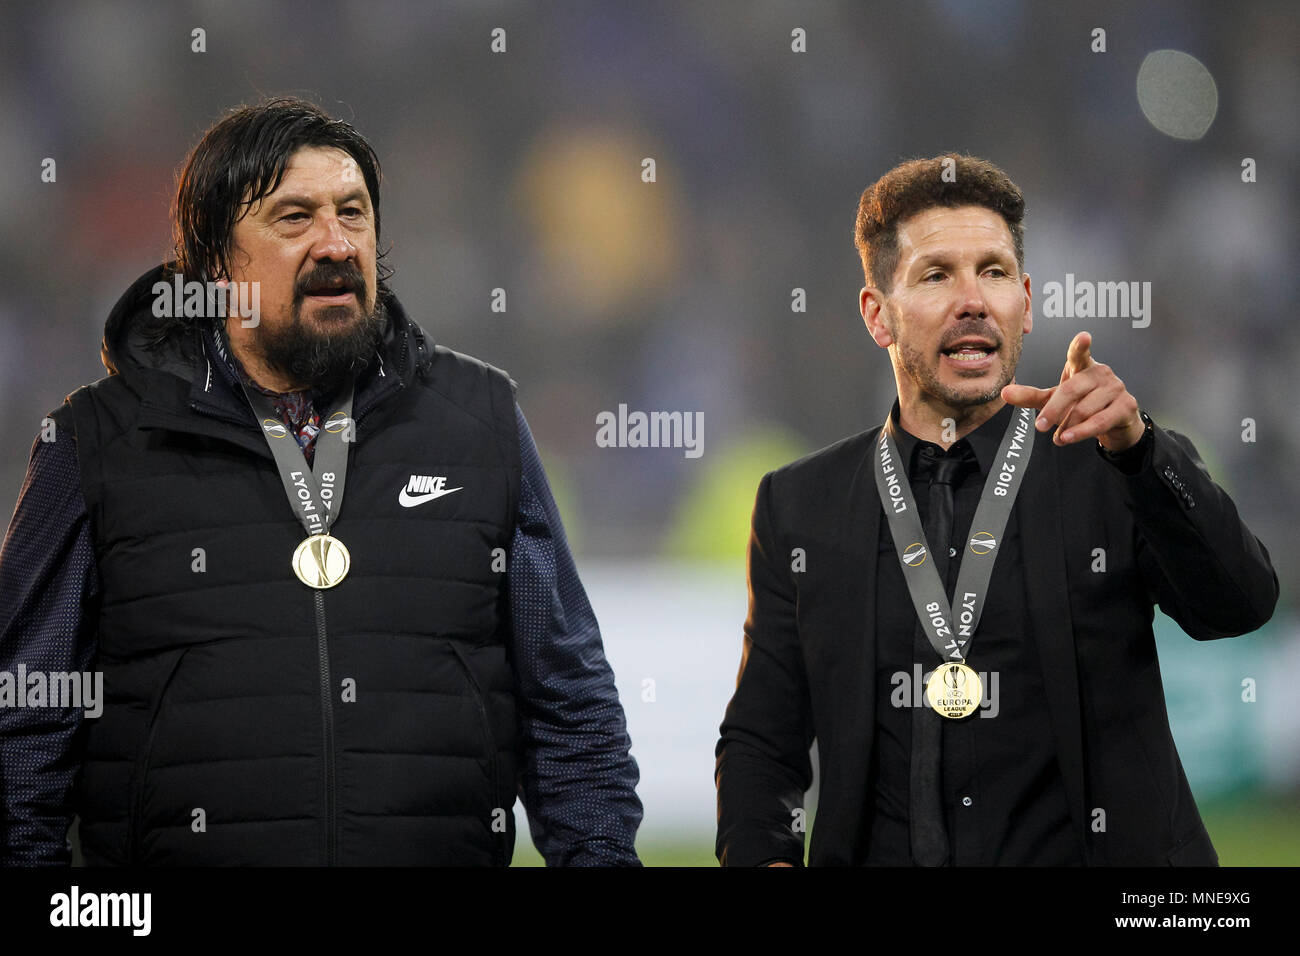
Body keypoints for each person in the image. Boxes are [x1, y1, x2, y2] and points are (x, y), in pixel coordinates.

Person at [0, 97, 642, 866]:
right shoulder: (95, 442)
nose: (336, 244)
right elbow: (24, 727)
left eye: (353, 213)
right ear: (213, 263)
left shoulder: (482, 421)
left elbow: (570, 708)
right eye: (294, 218)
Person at [714, 153, 1278, 867]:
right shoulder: (802, 506)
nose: (973, 299)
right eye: (936, 275)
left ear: (1026, 302)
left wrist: (1142, 453)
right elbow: (763, 738)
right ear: (877, 316)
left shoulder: (1114, 463)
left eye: (994, 271)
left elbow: (1239, 604)